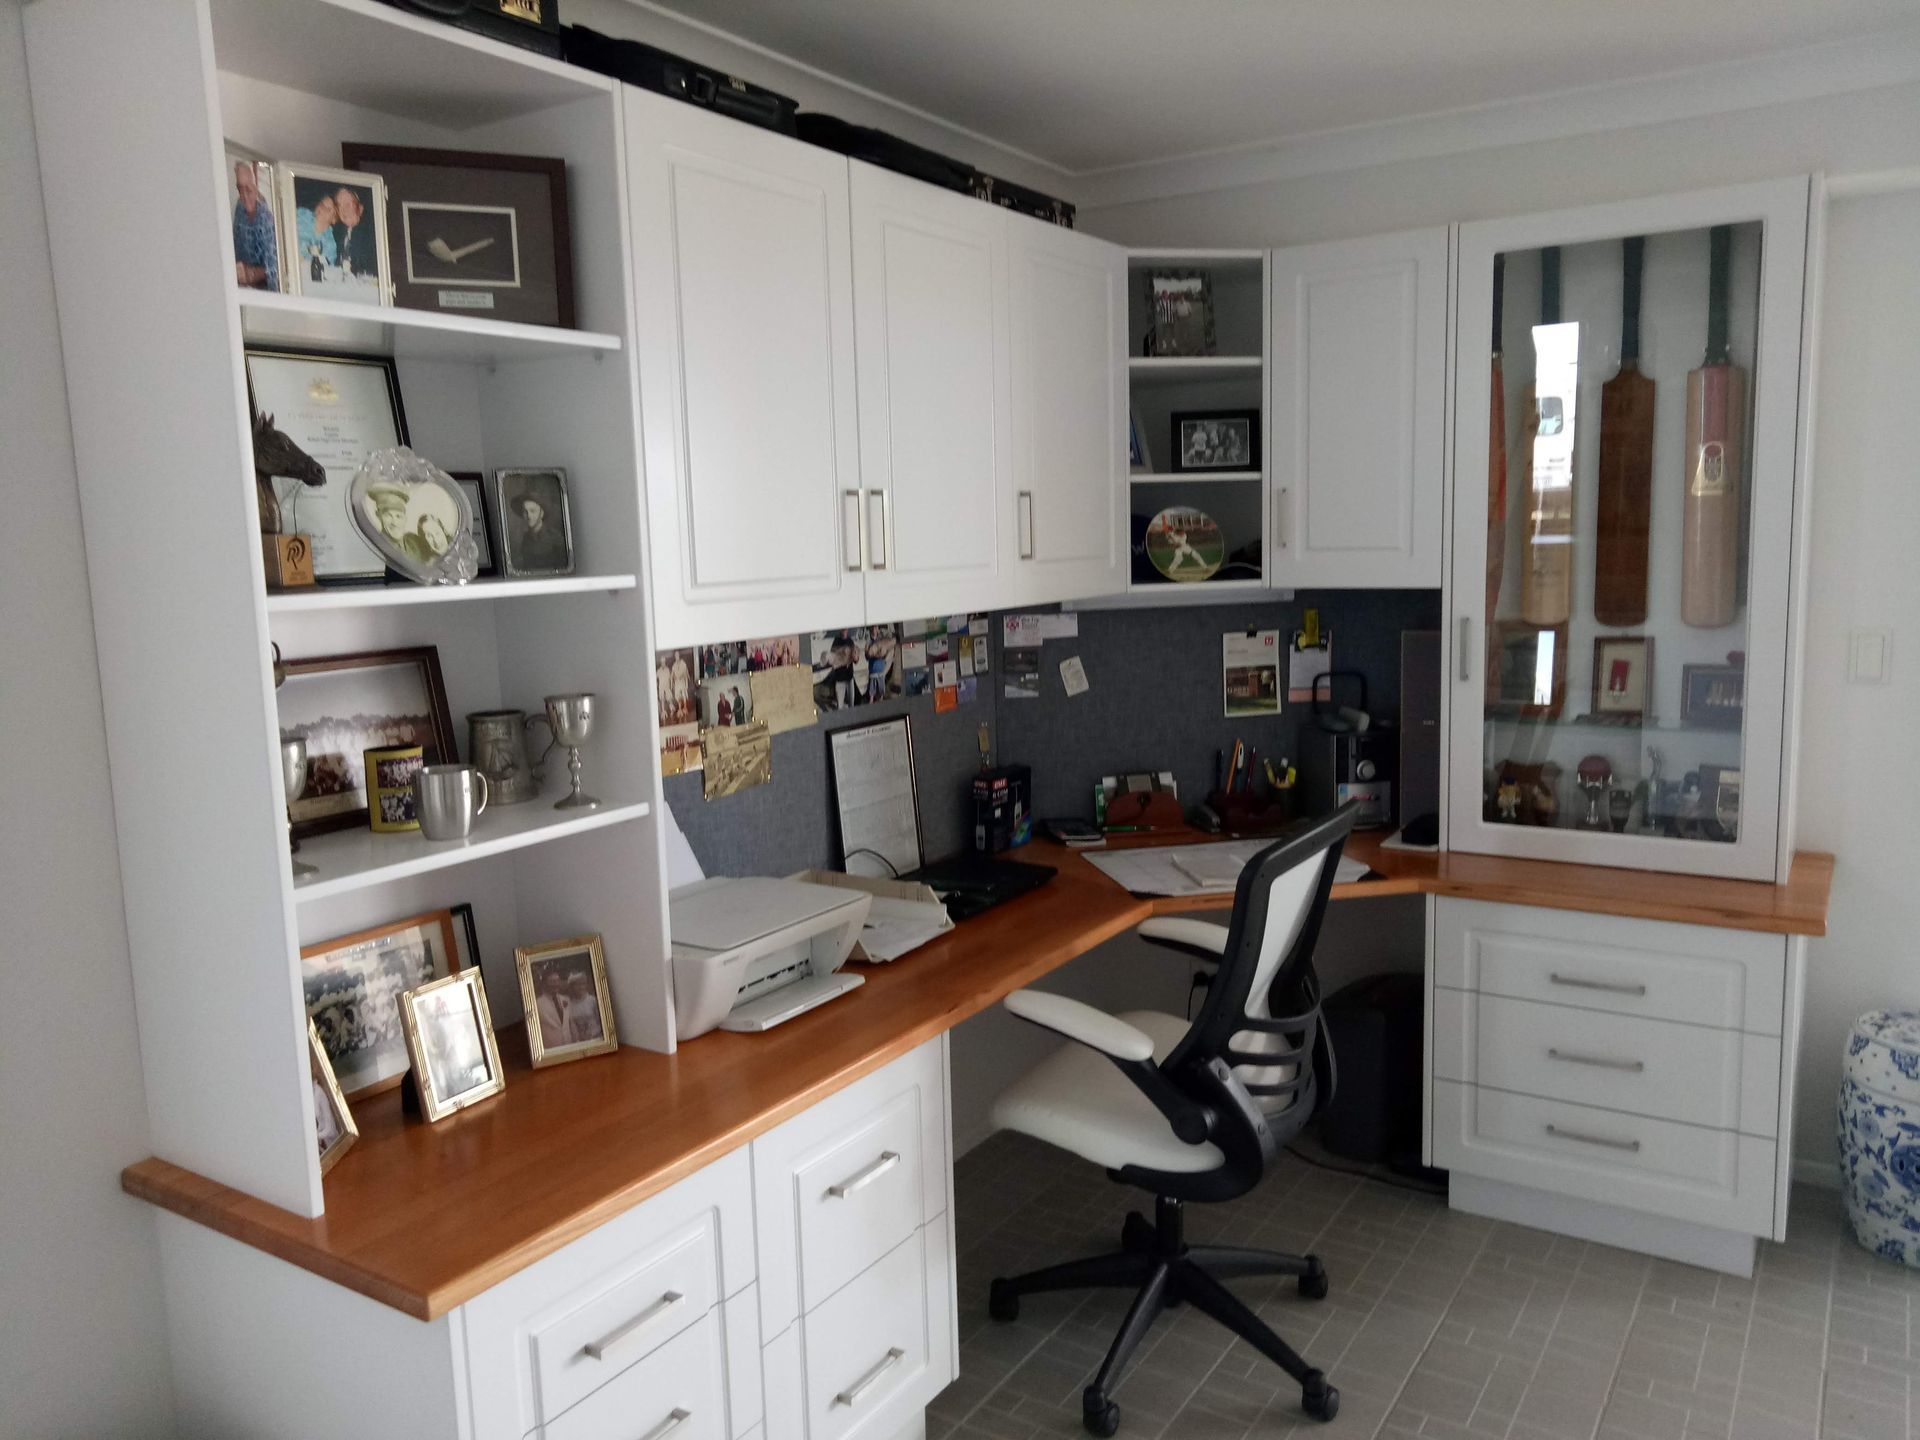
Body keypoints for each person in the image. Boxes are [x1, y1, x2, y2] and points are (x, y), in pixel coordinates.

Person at [232, 161, 279, 291]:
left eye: (249, 189)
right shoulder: (240, 207)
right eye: (240, 189)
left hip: (267, 292)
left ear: (256, 185)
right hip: (243, 288)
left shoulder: (267, 216)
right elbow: (235, 248)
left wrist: (251, 274)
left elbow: (277, 267)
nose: (244, 196)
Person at [507, 490, 569, 573]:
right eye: (525, 512)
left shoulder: (556, 538)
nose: (529, 516)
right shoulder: (526, 538)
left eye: (533, 511)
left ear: (541, 513)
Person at [331, 186, 379, 278]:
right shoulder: (338, 233)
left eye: (348, 205)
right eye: (339, 205)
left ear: (359, 208)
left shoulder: (371, 234)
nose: (343, 210)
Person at [295, 191, 338, 279]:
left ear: (334, 219)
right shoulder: (301, 214)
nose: (322, 208)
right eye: (322, 204)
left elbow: (328, 272)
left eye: (328, 209)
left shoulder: (331, 244)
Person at [534, 967, 569, 1051]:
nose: (556, 984)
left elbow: (570, 1023)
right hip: (551, 1048)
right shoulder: (537, 1004)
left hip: (569, 1045)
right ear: (544, 983)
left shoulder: (566, 999)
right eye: (552, 981)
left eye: (557, 980)